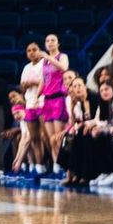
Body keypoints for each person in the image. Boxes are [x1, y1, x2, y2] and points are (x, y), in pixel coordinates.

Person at [37, 34, 70, 174]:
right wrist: (36, 96)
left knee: (59, 136)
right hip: (47, 100)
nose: (50, 43)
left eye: (53, 40)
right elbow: (43, 81)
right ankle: (56, 164)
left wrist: (47, 56)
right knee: (50, 137)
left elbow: (64, 68)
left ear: (58, 43)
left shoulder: (62, 56)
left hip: (58, 99)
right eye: (47, 40)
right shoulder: (44, 62)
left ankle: (65, 164)